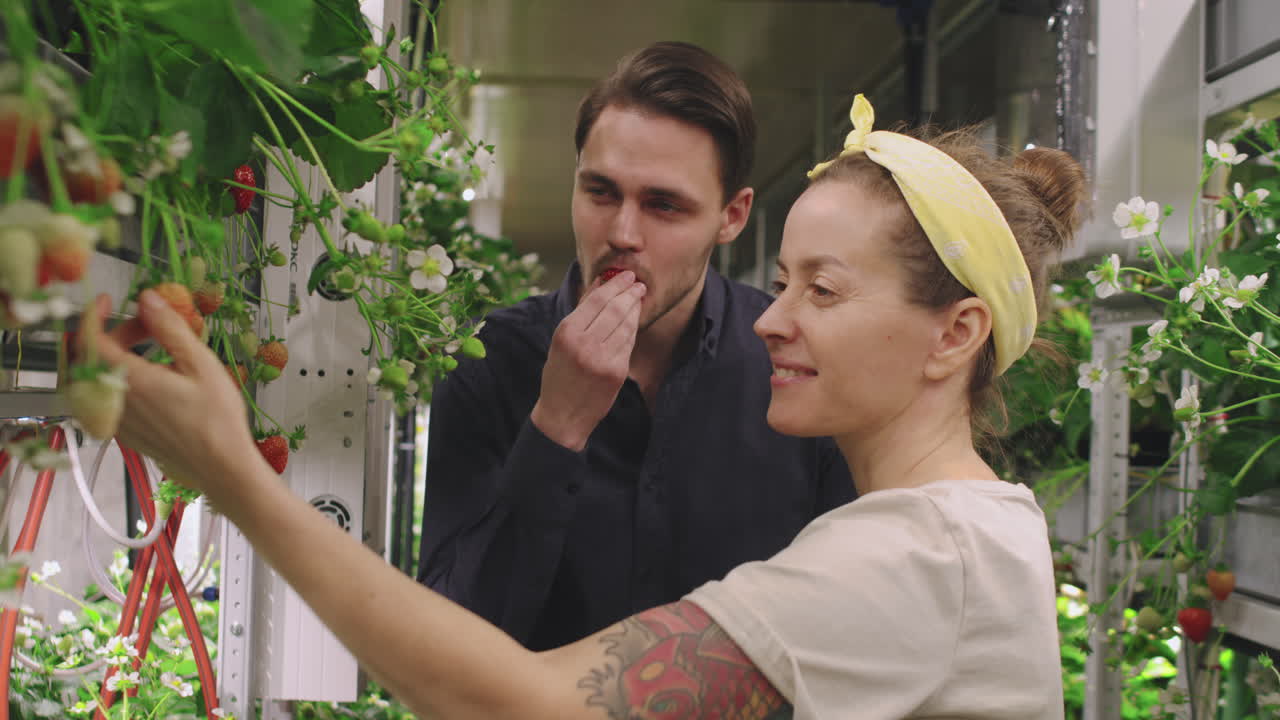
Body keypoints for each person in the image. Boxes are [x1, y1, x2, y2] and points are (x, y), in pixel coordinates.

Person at [87, 92, 1081, 718]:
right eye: (780, 284)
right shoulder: (953, 530)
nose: (772, 323)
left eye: (821, 292)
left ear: (953, 336)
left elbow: (521, 702)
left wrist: (238, 483)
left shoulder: (919, 554)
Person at [415, 40, 853, 650]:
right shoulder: (488, 364)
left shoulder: (795, 362)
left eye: (663, 205)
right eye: (600, 192)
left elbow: (841, 628)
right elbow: (448, 641)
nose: (622, 233)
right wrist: (557, 426)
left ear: (732, 216)